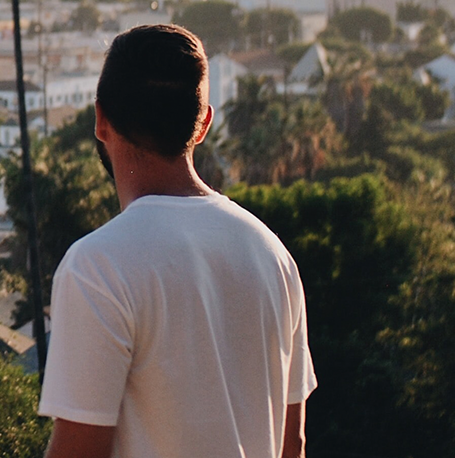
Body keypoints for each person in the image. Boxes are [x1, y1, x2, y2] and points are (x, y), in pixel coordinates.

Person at [42, 24, 315, 458]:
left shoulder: (97, 268)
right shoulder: (272, 255)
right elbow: (292, 445)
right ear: (203, 123)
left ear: (100, 120)